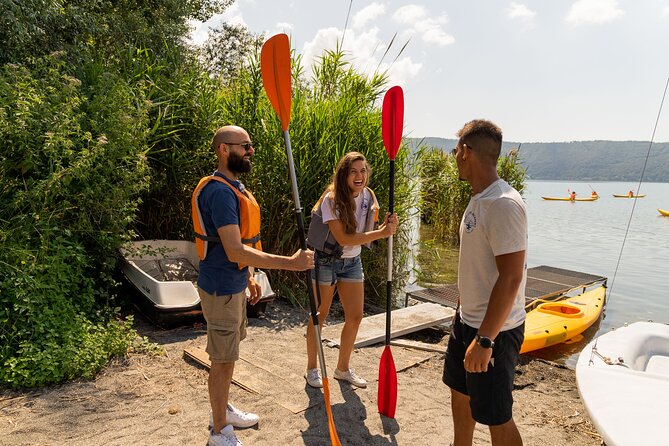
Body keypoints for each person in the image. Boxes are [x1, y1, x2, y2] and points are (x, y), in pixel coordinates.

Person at [192, 125, 314, 446]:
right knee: (222, 359)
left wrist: (248, 277)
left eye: (251, 145)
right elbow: (234, 249)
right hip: (220, 288)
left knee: (228, 354)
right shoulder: (219, 193)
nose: (251, 151)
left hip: (232, 284)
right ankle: (219, 431)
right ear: (223, 150)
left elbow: (232, 246)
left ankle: (222, 410)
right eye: (244, 146)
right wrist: (291, 262)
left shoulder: (235, 187)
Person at [442, 119, 527, 446]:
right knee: (460, 393)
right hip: (468, 322)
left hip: (496, 331)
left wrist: (486, 339)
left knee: (496, 417)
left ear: (466, 151)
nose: (454, 157)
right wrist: (462, 311)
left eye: (455, 150)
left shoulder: (503, 203)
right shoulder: (479, 198)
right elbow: (479, 267)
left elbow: (511, 277)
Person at [304, 151, 398, 389]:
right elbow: (344, 238)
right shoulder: (331, 200)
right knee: (320, 314)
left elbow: (369, 227)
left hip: (353, 262)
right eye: (354, 171)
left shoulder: (368, 195)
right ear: (344, 175)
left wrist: (388, 225)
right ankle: (312, 369)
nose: (359, 176)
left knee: (355, 316)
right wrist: (382, 233)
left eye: (363, 171)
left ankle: (342, 368)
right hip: (326, 260)